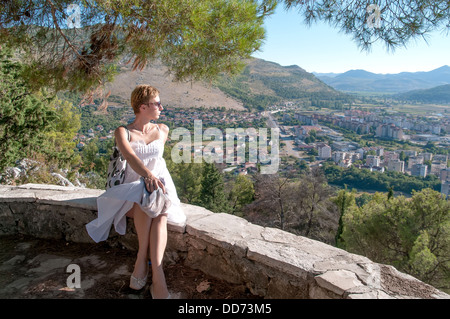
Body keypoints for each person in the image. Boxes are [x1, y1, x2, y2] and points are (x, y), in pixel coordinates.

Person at [86, 85, 186, 299]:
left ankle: (153, 272)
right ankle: (147, 265)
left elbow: (158, 162)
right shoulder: (123, 132)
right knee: (146, 201)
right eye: (157, 103)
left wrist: (153, 180)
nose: (161, 107)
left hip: (159, 186)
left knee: (157, 207)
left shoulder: (163, 129)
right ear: (143, 107)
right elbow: (131, 158)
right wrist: (147, 176)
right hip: (129, 189)